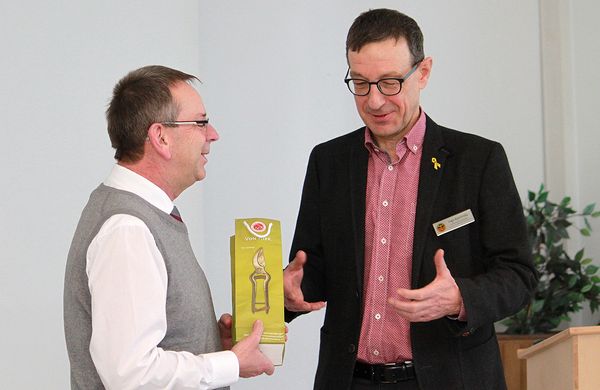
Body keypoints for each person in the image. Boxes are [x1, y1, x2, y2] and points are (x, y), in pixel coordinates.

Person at [283, 9, 538, 390]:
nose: (374, 101)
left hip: (449, 378)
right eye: (360, 83)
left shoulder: (478, 160)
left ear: (423, 72)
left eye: (389, 83)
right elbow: (313, 268)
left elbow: (519, 275)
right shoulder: (328, 161)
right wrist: (289, 294)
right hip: (350, 379)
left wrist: (459, 298)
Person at [64, 65, 274, 389]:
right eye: (201, 122)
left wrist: (205, 341)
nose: (213, 134)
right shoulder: (128, 230)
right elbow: (131, 374)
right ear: (161, 136)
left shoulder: (141, 216)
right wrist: (229, 363)